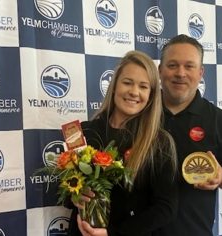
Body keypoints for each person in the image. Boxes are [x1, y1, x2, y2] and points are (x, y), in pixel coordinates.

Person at [70, 50, 178, 236]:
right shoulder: (82, 132)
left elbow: (165, 208)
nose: (134, 92)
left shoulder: (160, 142)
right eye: (127, 82)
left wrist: (113, 233)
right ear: (114, 86)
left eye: (143, 86)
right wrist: (75, 195)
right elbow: (65, 188)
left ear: (151, 95)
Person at [158, 34, 222, 235]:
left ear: (201, 73)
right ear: (160, 70)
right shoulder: (140, 114)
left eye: (189, 66)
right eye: (172, 65)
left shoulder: (221, 122)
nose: (180, 73)